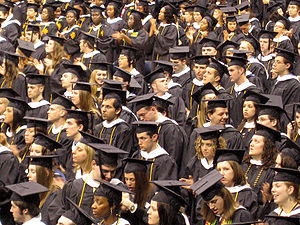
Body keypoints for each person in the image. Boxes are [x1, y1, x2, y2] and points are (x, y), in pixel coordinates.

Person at [129, 93, 188, 170]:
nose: (141, 119)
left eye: (143, 115)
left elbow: (174, 157)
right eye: (139, 116)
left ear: (153, 109)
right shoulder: (146, 127)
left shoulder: (170, 128)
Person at [242, 124, 279, 217]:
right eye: (251, 140)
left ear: (266, 146)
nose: (251, 144)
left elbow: (266, 198)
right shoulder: (244, 165)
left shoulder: (272, 170)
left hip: (259, 215)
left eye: (256, 141)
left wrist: (247, 188)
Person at [215, 149, 259, 219]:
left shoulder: (248, 195)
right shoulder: (214, 193)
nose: (221, 173)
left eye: (226, 169)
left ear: (235, 170)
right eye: (219, 170)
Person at [26, 155, 60, 225]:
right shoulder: (32, 194)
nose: (28, 175)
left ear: (46, 173)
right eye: (28, 171)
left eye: (33, 172)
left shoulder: (55, 196)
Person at [121, 158, 153, 225]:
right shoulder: (124, 192)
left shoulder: (151, 193)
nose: (128, 183)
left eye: (132, 180)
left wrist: (132, 206)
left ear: (140, 179)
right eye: (126, 179)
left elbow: (149, 218)